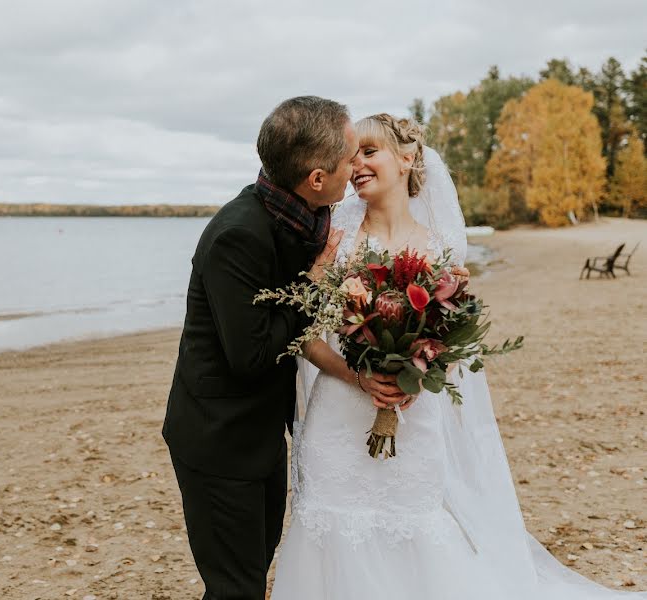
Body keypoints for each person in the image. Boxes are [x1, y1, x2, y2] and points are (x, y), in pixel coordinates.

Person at [270, 113, 647, 599]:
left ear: (406, 159)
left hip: (413, 415)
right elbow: (305, 335)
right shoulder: (334, 243)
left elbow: (451, 346)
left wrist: (418, 367)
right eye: (350, 157)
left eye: (369, 152)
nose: (356, 165)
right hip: (339, 416)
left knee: (414, 525)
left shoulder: (441, 248)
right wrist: (358, 376)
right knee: (332, 527)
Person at [162, 97, 409, 600]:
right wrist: (318, 279)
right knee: (236, 587)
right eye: (348, 159)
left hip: (261, 435)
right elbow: (251, 357)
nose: (355, 166)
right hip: (219, 442)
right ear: (317, 179)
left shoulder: (299, 218)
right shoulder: (238, 235)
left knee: (255, 567)